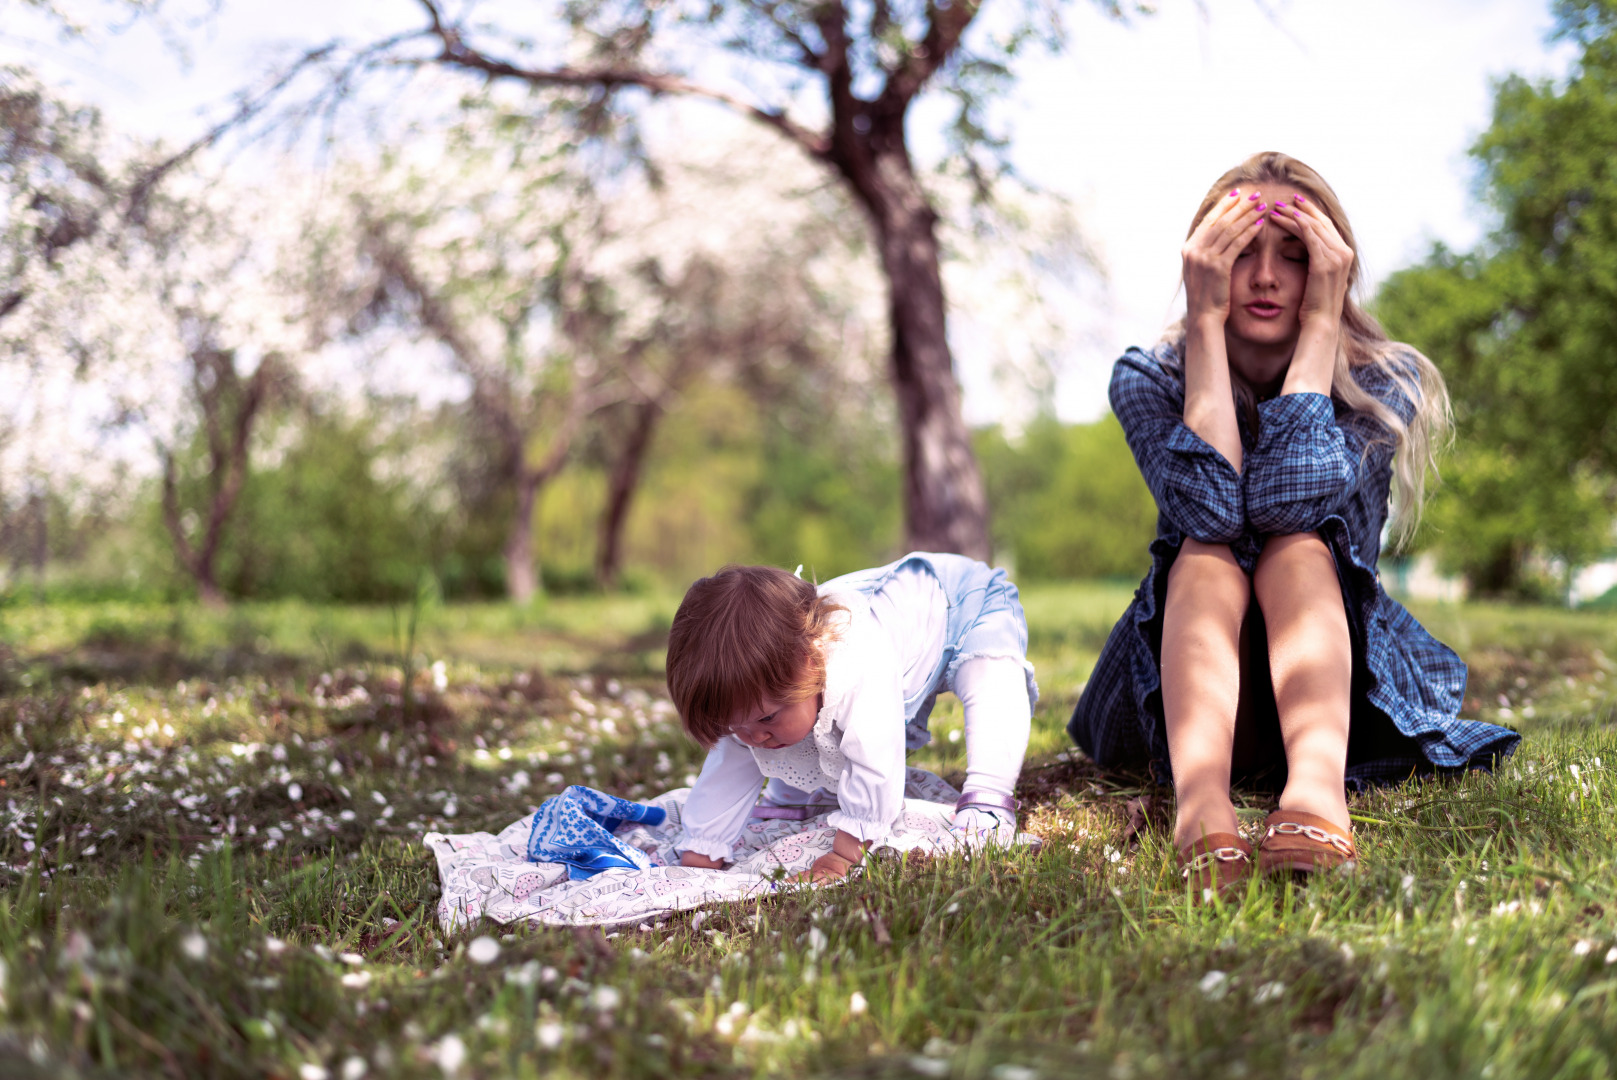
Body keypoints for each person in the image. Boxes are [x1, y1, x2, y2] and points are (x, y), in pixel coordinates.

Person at [1067, 152, 1518, 899]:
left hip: (1336, 701)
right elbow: (1206, 512)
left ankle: (1314, 798)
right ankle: (1201, 811)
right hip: (1188, 698)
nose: (1267, 276)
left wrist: (1319, 332)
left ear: (1332, 269)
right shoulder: (1148, 377)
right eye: (1240, 251)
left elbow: (1288, 507)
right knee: (1206, 554)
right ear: (1202, 263)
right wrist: (1204, 330)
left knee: (1298, 549)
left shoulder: (1384, 379)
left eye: (1296, 255)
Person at [666, 554, 1038, 882]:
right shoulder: (759, 698)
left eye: (765, 719)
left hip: (968, 603)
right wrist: (700, 855)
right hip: (900, 629)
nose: (753, 739)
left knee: (991, 682)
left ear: (810, 663)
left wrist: (845, 854)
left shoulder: (858, 660)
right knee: (784, 730)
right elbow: (726, 769)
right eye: (735, 726)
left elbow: (875, 758)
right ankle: (797, 795)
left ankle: (988, 803)